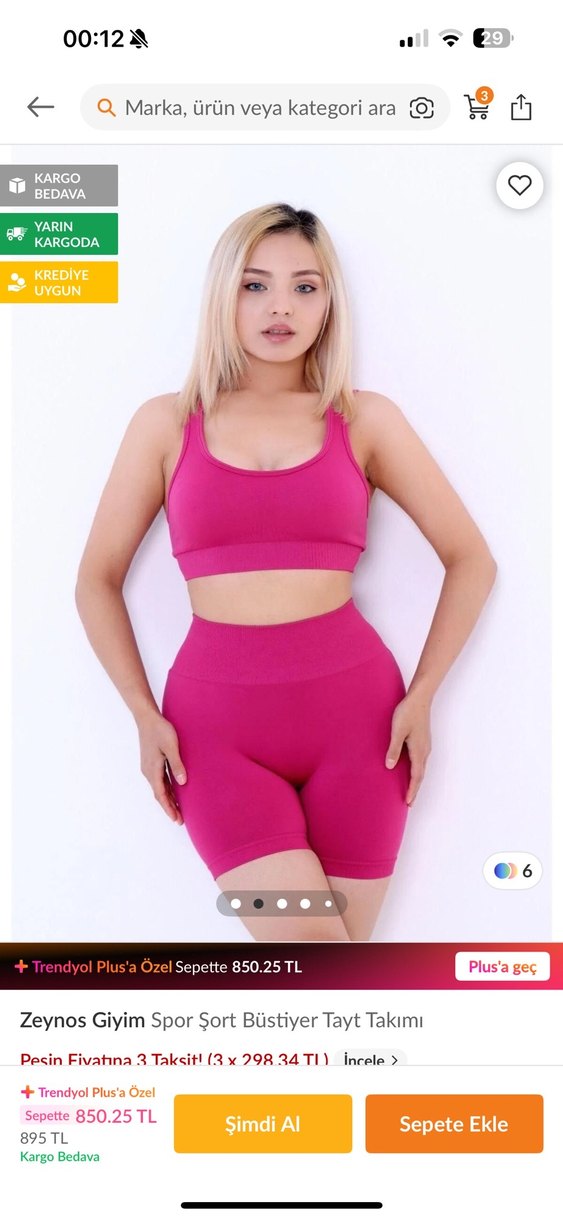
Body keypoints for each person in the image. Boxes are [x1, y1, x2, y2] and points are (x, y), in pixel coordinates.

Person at [75, 202, 497, 943]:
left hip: (361, 728)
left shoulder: (365, 420)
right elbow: (96, 580)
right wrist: (142, 714)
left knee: (339, 975)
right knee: (308, 955)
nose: (280, 307)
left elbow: (471, 560)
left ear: (329, 302)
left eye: (305, 287)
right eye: (254, 285)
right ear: (223, 296)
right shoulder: (166, 424)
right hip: (214, 738)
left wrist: (423, 695)